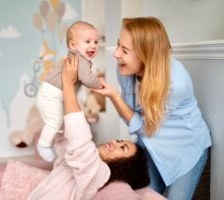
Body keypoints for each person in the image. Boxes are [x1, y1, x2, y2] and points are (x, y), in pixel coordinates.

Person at [92, 17, 212, 200]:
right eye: (118, 45)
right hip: (149, 142)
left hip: (184, 148)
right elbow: (131, 118)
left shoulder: (175, 84)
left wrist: (114, 96)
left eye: (124, 50)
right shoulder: (125, 70)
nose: (116, 54)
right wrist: (114, 95)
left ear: (145, 54)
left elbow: (144, 127)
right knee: (141, 196)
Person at [27, 55, 151, 200]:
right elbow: (67, 137)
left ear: (125, 165)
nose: (116, 143)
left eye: (122, 148)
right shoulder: (83, 161)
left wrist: (68, 85)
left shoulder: (99, 174)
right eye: (119, 141)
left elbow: (80, 141)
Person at [36, 21, 102, 162]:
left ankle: (56, 145)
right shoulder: (79, 59)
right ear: (73, 45)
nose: (93, 46)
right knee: (55, 122)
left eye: (96, 42)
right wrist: (99, 84)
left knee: (63, 124)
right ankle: (43, 145)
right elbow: (87, 79)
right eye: (88, 41)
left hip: (53, 95)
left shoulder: (76, 58)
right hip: (51, 95)